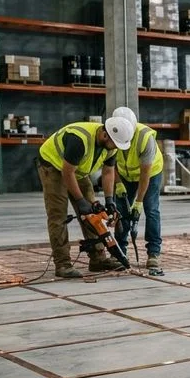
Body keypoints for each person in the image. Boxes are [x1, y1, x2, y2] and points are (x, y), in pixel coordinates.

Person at [37, 117, 135, 278]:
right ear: (104, 135)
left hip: (78, 169)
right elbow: (67, 173)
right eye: (115, 144)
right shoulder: (79, 140)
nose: (116, 148)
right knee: (58, 215)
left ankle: (97, 259)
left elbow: (108, 172)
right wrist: (81, 201)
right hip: (53, 166)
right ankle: (63, 264)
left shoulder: (112, 144)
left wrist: (109, 200)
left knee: (94, 214)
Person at [110, 107, 165, 273]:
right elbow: (109, 164)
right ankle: (119, 252)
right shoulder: (111, 134)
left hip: (150, 173)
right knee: (120, 211)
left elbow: (145, 174)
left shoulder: (145, 138)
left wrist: (138, 202)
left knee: (151, 209)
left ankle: (153, 253)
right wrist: (118, 183)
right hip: (124, 175)